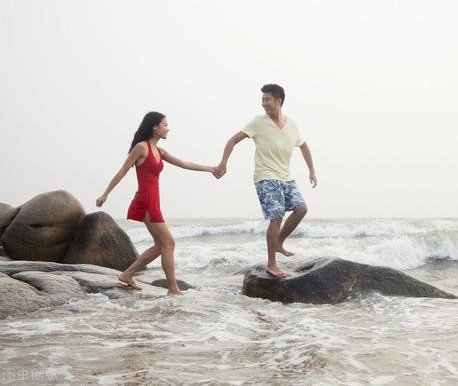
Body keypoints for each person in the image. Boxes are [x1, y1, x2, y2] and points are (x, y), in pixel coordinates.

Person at [96, 112, 216, 295]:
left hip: (153, 199)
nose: (168, 129)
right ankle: (173, 288)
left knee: (162, 245)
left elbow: (184, 163)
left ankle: (127, 274)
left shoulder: (159, 151)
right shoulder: (141, 148)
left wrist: (211, 169)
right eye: (165, 125)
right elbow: (123, 171)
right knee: (169, 243)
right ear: (155, 127)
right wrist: (105, 194)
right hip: (146, 200)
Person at [214, 84, 317, 278]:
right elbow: (233, 140)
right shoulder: (257, 123)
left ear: (278, 101)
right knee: (276, 216)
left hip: (286, 177)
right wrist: (223, 162)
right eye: (262, 100)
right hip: (265, 176)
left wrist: (312, 170)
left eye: (267, 99)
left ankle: (278, 242)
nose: (263, 103)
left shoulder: (292, 125)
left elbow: (303, 146)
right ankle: (272, 264)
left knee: (301, 209)